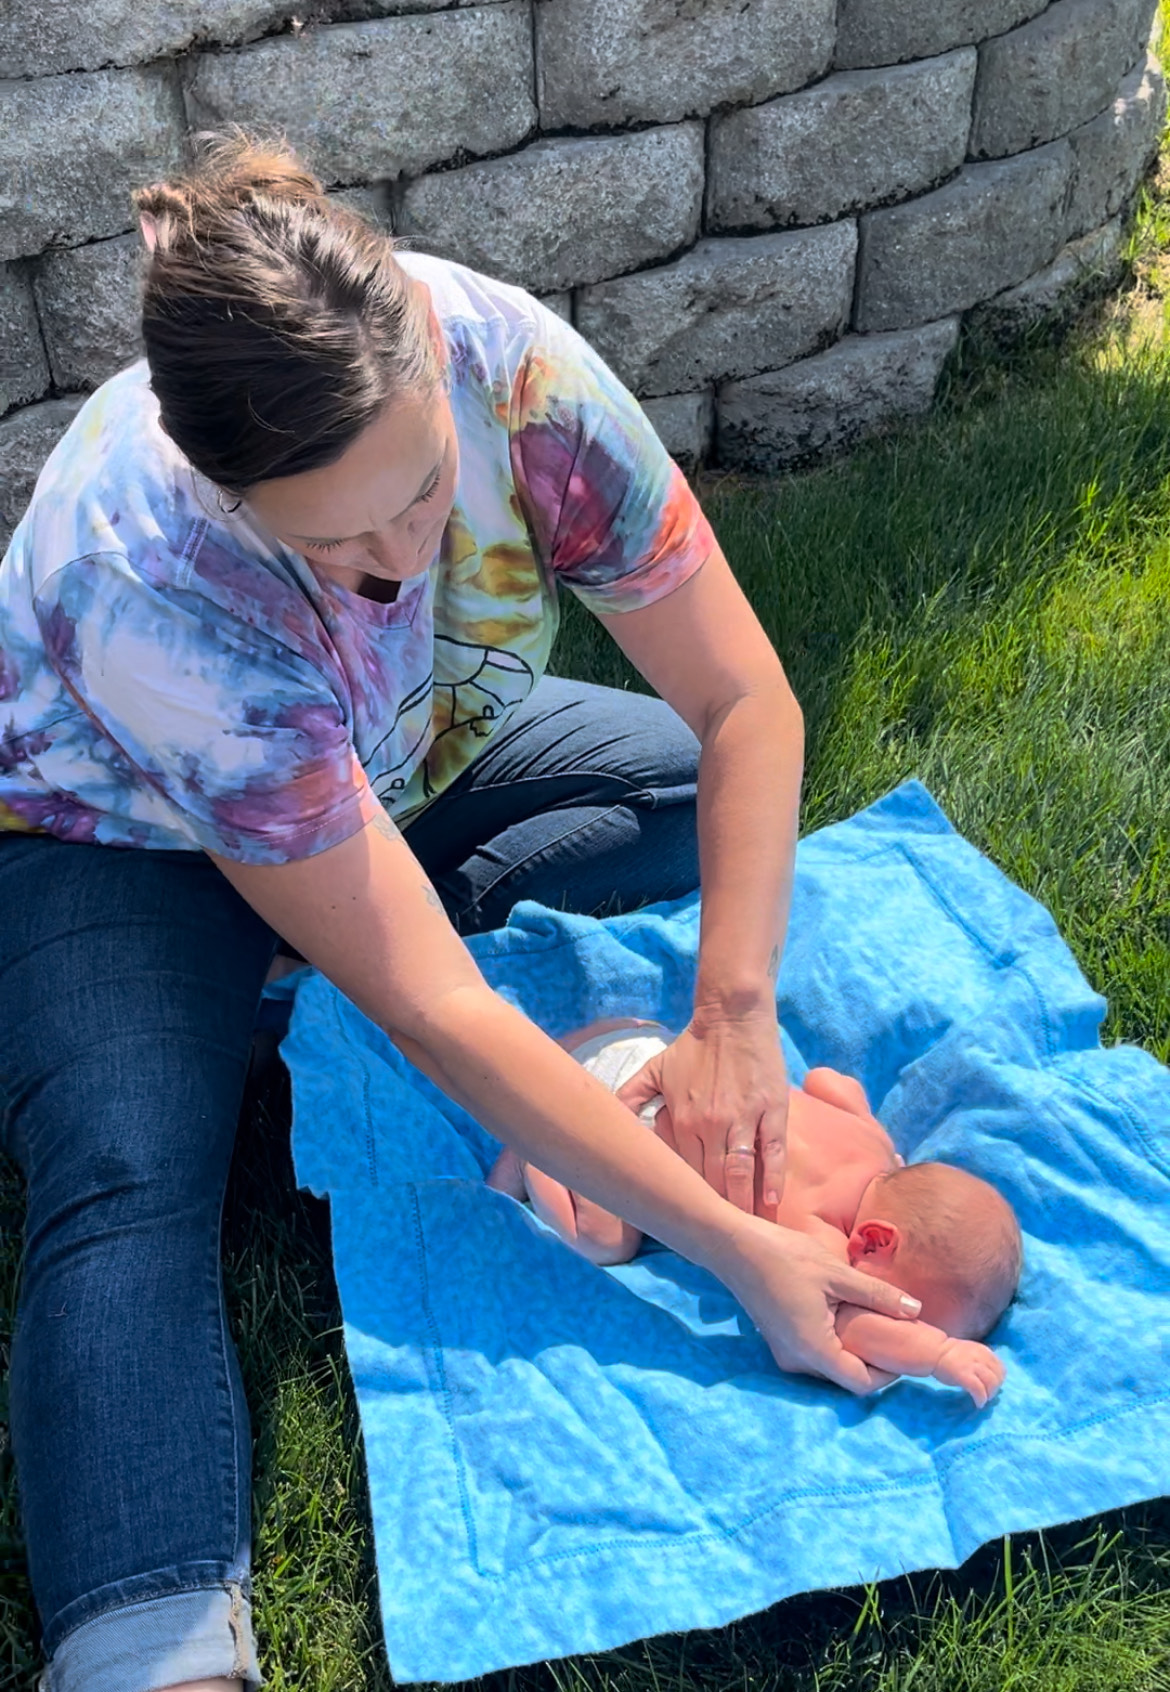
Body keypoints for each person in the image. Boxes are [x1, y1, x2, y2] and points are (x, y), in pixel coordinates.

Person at [0, 126, 926, 1692]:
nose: (398, 555)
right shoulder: (145, 569)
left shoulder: (520, 377)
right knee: (124, 1171)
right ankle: (150, 1645)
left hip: (397, 764)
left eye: (422, 491)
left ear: (431, 356)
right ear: (229, 495)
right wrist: (736, 1252)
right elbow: (435, 1008)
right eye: (334, 536)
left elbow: (746, 703)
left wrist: (732, 1012)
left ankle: (307, 952)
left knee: (677, 797)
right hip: (117, 843)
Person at [489, 1022, 1021, 1407]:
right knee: (604, 1240)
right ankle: (539, 1140)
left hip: (648, 1049)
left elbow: (827, 1083)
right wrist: (937, 1355)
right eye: (899, 1306)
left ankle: (563, 1067)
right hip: (610, 1113)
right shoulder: (824, 1237)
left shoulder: (873, 1143)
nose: (881, 1308)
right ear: (876, 1242)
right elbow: (849, 1328)